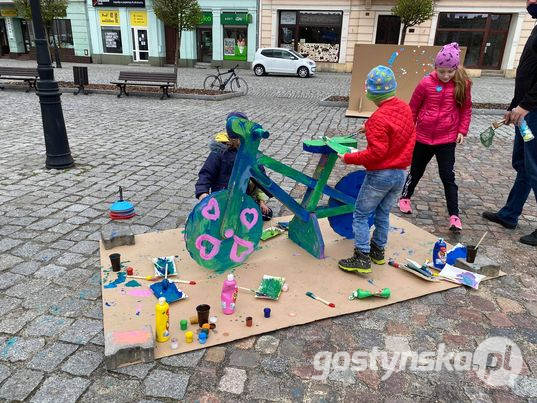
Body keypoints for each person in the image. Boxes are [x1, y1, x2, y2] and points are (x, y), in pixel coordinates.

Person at [338, 65, 416, 273]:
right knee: (383, 213)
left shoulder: (378, 119)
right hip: (400, 174)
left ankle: (361, 256)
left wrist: (348, 158)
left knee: (361, 214)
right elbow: (399, 131)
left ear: (371, 93)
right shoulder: (405, 108)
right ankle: (377, 252)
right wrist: (369, 127)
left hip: (380, 175)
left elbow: (376, 154)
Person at [398, 42, 472, 232]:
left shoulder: (463, 84)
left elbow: (466, 109)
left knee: (448, 176)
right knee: (416, 170)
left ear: (456, 68)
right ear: (435, 68)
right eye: (441, 71)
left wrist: (462, 131)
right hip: (423, 137)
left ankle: (454, 215)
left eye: (449, 71)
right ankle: (405, 197)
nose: (446, 75)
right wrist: (408, 129)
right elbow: (413, 108)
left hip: (446, 139)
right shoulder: (425, 83)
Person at [482, 0, 537, 246]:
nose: (529, 2)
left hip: (534, 113)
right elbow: (529, 71)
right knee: (523, 164)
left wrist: (525, 106)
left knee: (534, 167)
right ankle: (509, 215)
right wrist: (514, 106)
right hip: (525, 111)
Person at [195, 112, 273, 221]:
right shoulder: (219, 152)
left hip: (243, 197)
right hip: (223, 198)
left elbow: (260, 179)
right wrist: (203, 193)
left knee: (267, 215)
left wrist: (261, 201)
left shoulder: (250, 152)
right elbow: (206, 173)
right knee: (218, 220)